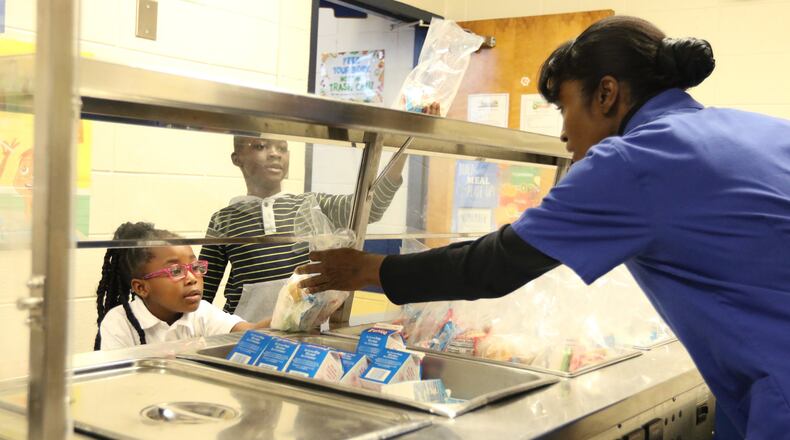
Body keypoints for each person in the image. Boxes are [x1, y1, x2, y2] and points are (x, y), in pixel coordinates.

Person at [295, 16, 790, 439]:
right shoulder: (762, 129)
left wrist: (367, 269)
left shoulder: (633, 160)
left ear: (607, 93)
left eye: (564, 106)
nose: (562, 132)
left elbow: (494, 265)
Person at [199, 125, 429, 318]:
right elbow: (203, 293)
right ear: (237, 158)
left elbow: (373, 207)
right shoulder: (224, 219)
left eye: (283, 148)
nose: (275, 154)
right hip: (243, 335)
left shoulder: (311, 205)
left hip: (303, 334)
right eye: (260, 146)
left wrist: (403, 146)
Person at [94, 222, 270, 350]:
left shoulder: (201, 313)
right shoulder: (119, 322)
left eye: (195, 267)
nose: (192, 278)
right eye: (176, 271)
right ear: (141, 288)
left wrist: (289, 314)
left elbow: (251, 332)